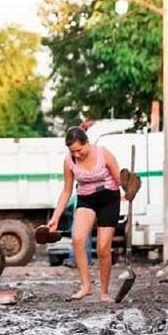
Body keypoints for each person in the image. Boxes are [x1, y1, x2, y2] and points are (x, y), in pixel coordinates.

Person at [47, 127, 126, 302]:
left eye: (79, 150)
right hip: (86, 199)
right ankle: (86, 286)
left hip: (109, 199)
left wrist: (130, 188)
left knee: (103, 247)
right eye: (72, 151)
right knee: (77, 238)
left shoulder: (103, 154)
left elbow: (121, 181)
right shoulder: (69, 161)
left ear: (87, 143)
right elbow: (67, 191)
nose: (77, 155)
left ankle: (104, 293)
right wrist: (55, 217)